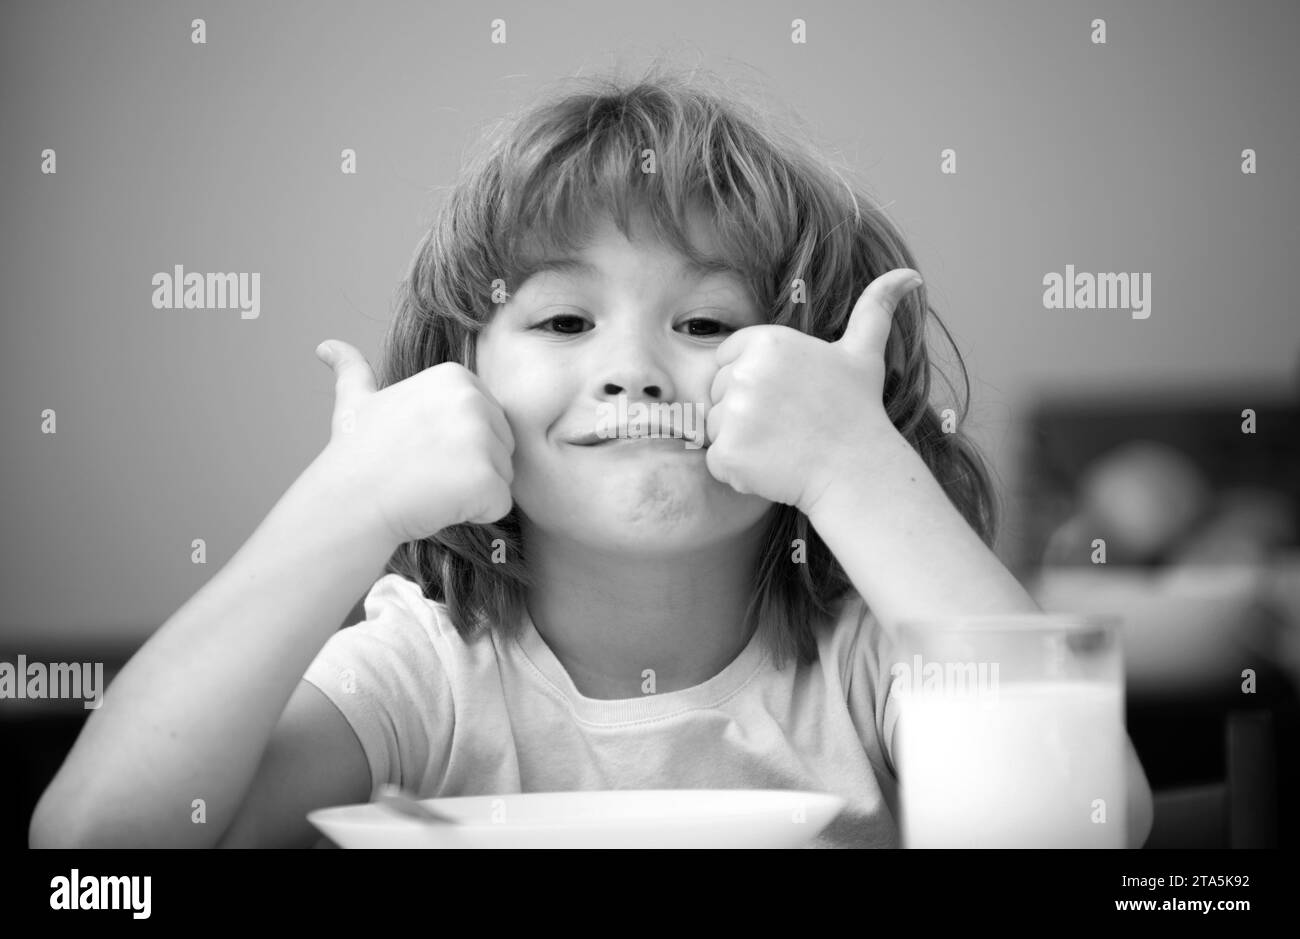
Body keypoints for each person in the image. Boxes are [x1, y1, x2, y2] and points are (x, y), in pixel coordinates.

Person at [30, 63, 1153, 849]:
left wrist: (859, 472)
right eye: (565, 323)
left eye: (707, 324)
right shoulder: (427, 674)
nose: (636, 368)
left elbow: (1083, 826)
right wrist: (345, 504)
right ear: (458, 387)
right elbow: (98, 846)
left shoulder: (868, 666)